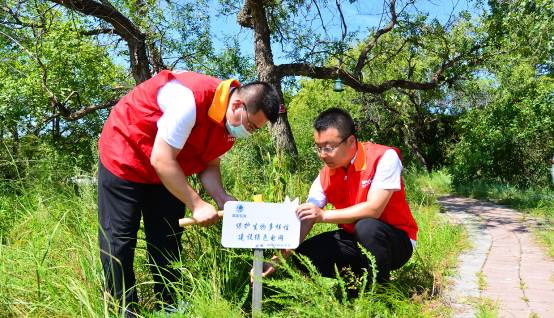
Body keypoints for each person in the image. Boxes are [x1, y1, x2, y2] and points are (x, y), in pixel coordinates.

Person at [97, 70, 280, 314]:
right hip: (127, 154)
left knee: (167, 238)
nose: (248, 132)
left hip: (169, 168)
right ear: (237, 104)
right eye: (250, 125)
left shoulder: (228, 120)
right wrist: (196, 204)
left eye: (254, 129)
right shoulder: (189, 100)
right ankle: (124, 310)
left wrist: (221, 197)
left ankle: (170, 306)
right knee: (119, 242)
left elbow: (209, 163)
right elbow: (161, 159)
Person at [261, 108, 417, 285]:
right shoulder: (325, 176)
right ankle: (356, 284)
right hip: (357, 239)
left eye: (328, 148)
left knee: (367, 227)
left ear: (350, 141)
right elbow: (307, 218)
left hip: (397, 241)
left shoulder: (383, 157)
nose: (322, 155)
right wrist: (277, 259)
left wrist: (323, 215)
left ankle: (381, 291)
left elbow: (374, 209)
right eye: (318, 148)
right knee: (304, 255)